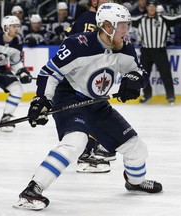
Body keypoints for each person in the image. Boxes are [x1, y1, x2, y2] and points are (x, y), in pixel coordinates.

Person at [13, 2, 163, 211]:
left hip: (98, 104)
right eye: (122, 25)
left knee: (137, 148)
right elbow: (49, 72)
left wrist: (135, 80)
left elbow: (139, 72)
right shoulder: (79, 44)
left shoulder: (125, 47)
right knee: (76, 141)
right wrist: (42, 100)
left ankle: (134, 182)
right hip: (70, 99)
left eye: (127, 25)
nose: (126, 30)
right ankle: (31, 191)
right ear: (107, 26)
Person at [65, 0, 117, 174]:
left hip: (98, 72)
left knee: (95, 109)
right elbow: (71, 42)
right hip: (84, 74)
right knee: (88, 111)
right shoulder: (87, 17)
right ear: (94, 2)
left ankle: (93, 146)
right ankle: (86, 152)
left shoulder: (109, 18)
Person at [131, 0, 181, 105]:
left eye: (153, 6)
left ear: (155, 8)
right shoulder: (140, 19)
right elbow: (126, 19)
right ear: (147, 8)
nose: (151, 8)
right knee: (143, 76)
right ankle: (147, 95)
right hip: (146, 51)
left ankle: (170, 97)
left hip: (160, 51)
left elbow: (178, 18)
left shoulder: (163, 19)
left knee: (166, 75)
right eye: (149, 6)